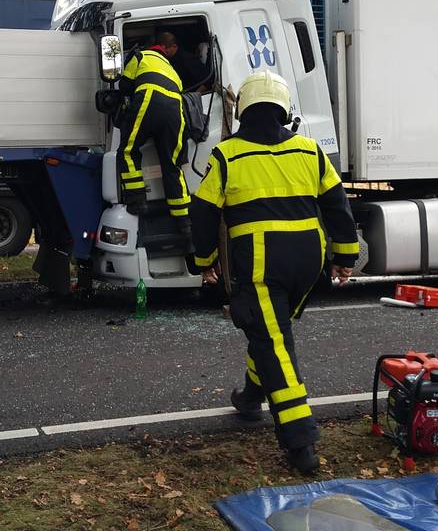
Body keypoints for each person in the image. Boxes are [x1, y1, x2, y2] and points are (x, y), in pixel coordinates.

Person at [190, 70, 359, 474]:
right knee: (270, 332)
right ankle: (250, 397)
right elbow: (338, 204)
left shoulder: (227, 154)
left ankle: (301, 442)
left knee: (276, 345)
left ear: (244, 109)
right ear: (284, 109)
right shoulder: (310, 150)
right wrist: (345, 256)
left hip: (262, 262)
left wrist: (204, 260)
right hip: (307, 261)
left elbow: (203, 209)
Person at [116, 31, 191, 229]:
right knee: (172, 163)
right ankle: (183, 219)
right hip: (176, 109)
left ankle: (137, 202)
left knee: (128, 151)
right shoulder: (172, 70)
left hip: (148, 100)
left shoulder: (141, 56)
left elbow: (124, 85)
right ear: (168, 49)